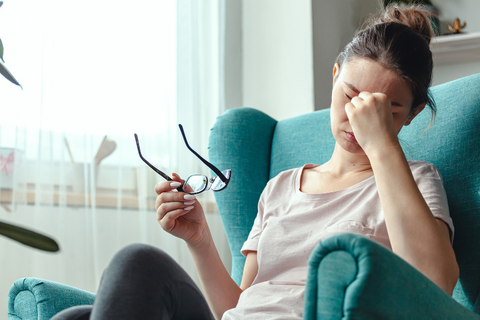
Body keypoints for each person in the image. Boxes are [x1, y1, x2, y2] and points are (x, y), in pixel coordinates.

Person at [52, 4, 459, 320]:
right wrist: (200, 241)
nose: (358, 119)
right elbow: (240, 307)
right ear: (334, 76)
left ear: (414, 113)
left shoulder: (416, 182)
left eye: (384, 110)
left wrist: (383, 146)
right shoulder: (280, 186)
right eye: (351, 97)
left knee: (135, 263)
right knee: (75, 316)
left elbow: (435, 282)